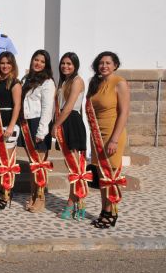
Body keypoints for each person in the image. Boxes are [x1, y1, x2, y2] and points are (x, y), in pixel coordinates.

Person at [86, 51, 129, 229]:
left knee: (111, 175)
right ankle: (104, 211)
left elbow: (124, 113)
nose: (104, 66)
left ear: (115, 65)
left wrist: (114, 140)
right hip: (97, 135)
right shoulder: (96, 83)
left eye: (108, 63)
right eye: (101, 63)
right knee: (102, 177)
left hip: (113, 134)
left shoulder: (120, 83)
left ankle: (112, 212)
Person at [19, 49, 55, 213]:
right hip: (27, 123)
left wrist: (41, 132)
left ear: (46, 65)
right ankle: (33, 194)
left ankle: (40, 198)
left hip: (39, 124)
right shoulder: (28, 79)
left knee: (40, 165)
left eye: (42, 61)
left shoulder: (47, 83)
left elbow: (47, 109)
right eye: (36, 60)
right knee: (34, 165)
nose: (38, 63)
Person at [52, 52, 88, 219]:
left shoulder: (77, 81)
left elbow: (69, 106)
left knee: (76, 167)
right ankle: (76, 202)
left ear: (75, 66)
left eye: (69, 64)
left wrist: (56, 125)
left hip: (71, 121)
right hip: (64, 121)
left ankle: (74, 204)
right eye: (63, 63)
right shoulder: (64, 81)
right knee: (71, 166)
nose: (65, 66)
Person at [0, 52, 22, 209]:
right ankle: (2, 190)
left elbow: (17, 106)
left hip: (8, 126)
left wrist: (12, 126)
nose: (5, 66)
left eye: (8, 63)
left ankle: (5, 193)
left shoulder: (15, 83)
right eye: (2, 63)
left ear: (12, 65)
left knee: (5, 162)